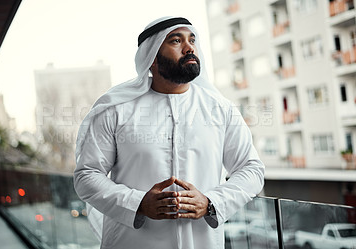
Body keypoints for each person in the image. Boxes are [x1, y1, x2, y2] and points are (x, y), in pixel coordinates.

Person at [74, 16, 265, 249]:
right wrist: (139, 203)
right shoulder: (115, 109)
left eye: (192, 40)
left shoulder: (220, 109)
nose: (189, 48)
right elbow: (87, 176)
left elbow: (252, 169)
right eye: (176, 41)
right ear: (152, 56)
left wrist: (211, 202)